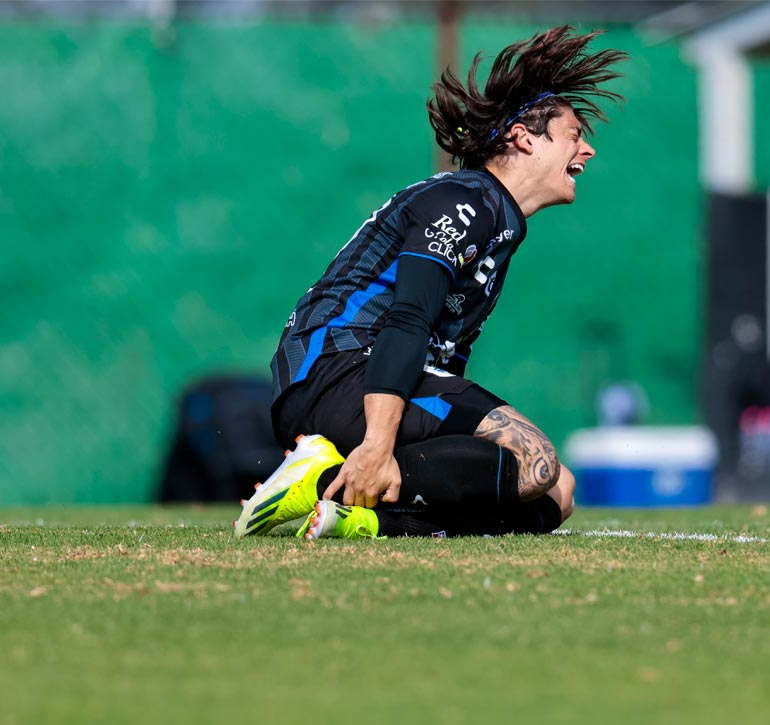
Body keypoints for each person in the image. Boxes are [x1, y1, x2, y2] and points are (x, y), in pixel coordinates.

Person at [235, 26, 627, 539]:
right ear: (524, 137)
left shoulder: (498, 222)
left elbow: (444, 361)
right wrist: (378, 445)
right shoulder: (465, 202)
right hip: (336, 370)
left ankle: (353, 516)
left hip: (373, 380)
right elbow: (408, 320)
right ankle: (320, 480)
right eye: (575, 133)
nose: (588, 149)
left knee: (557, 493)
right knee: (534, 462)